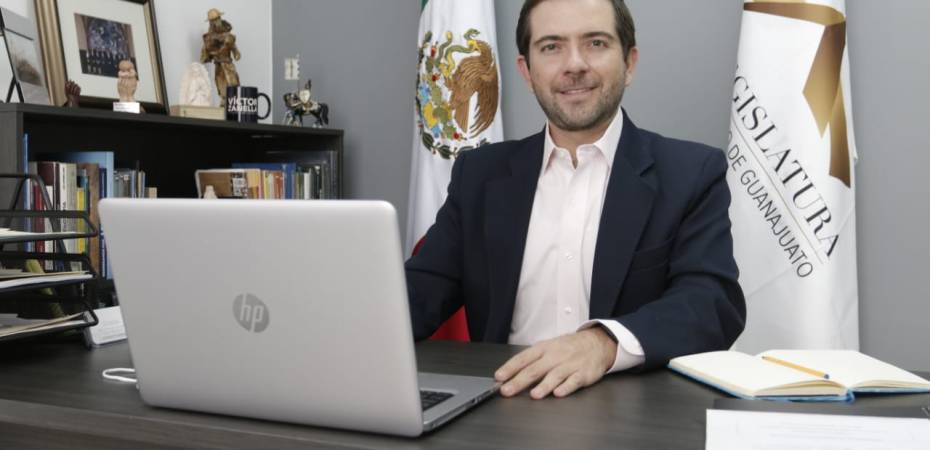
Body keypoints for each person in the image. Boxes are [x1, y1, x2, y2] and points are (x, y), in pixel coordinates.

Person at [405, 0, 746, 400]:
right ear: (526, 72)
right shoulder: (479, 175)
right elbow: (419, 293)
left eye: (596, 43)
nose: (575, 64)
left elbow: (711, 304)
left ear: (629, 63)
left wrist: (602, 343)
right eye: (551, 47)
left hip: (634, 415)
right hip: (502, 405)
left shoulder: (690, 173)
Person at [200, 8, 241, 102]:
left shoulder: (228, 36)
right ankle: (224, 101)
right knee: (220, 84)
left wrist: (235, 51)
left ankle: (233, 102)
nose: (214, 22)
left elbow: (234, 49)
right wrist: (206, 54)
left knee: (232, 83)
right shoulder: (209, 37)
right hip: (218, 65)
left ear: (219, 19)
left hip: (227, 64)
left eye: (216, 19)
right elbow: (204, 54)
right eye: (212, 21)